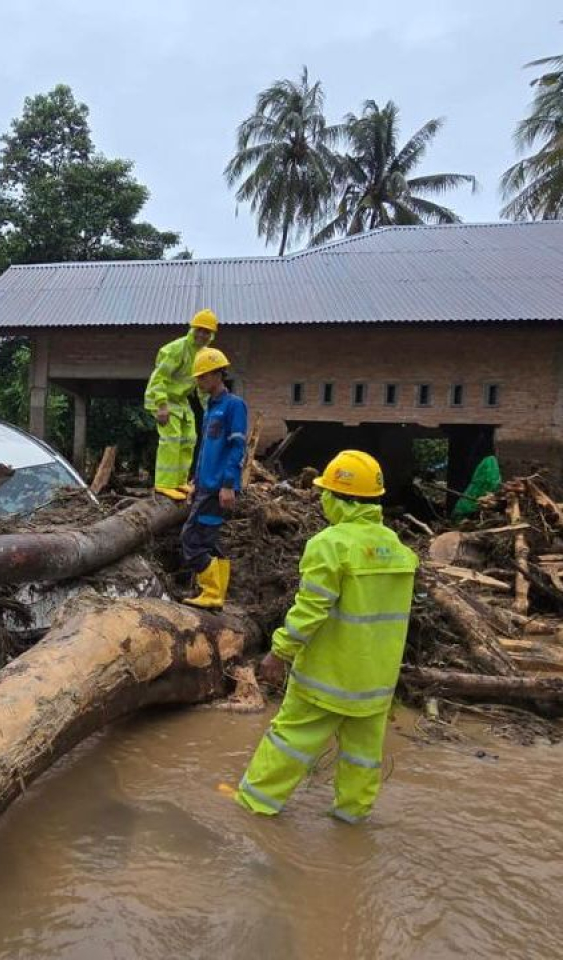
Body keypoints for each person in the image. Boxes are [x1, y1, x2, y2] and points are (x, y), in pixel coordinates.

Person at [235, 450, 418, 824]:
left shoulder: (331, 544)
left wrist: (279, 653)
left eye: (325, 492)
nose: (321, 499)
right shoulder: (398, 550)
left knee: (288, 743)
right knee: (362, 759)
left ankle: (253, 809)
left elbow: (310, 611)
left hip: (326, 678)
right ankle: (350, 823)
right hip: (376, 684)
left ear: (337, 497)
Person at [181, 347, 247, 609]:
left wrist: (229, 484)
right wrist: (195, 481)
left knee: (191, 539)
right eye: (198, 377)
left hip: (219, 487)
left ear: (219, 373)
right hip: (205, 486)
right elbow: (206, 450)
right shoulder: (211, 407)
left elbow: (237, 447)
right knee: (208, 540)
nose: (200, 381)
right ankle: (216, 595)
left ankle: (211, 592)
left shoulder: (234, 406)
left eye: (204, 376)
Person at [144, 308, 218, 500]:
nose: (202, 334)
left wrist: (211, 410)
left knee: (189, 438)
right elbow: (158, 378)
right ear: (192, 329)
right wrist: (161, 406)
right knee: (172, 438)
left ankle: (179, 482)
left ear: (211, 335)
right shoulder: (178, 349)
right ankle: (164, 484)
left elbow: (201, 388)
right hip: (161, 397)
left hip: (179, 400)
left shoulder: (203, 355)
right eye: (199, 329)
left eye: (206, 331)